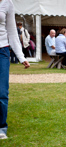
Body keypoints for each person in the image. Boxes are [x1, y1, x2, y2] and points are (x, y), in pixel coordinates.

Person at [0, 0, 30, 139]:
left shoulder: (7, 3)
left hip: (2, 51)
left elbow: (12, 31)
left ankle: (1, 127)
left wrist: (20, 56)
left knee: (2, 91)